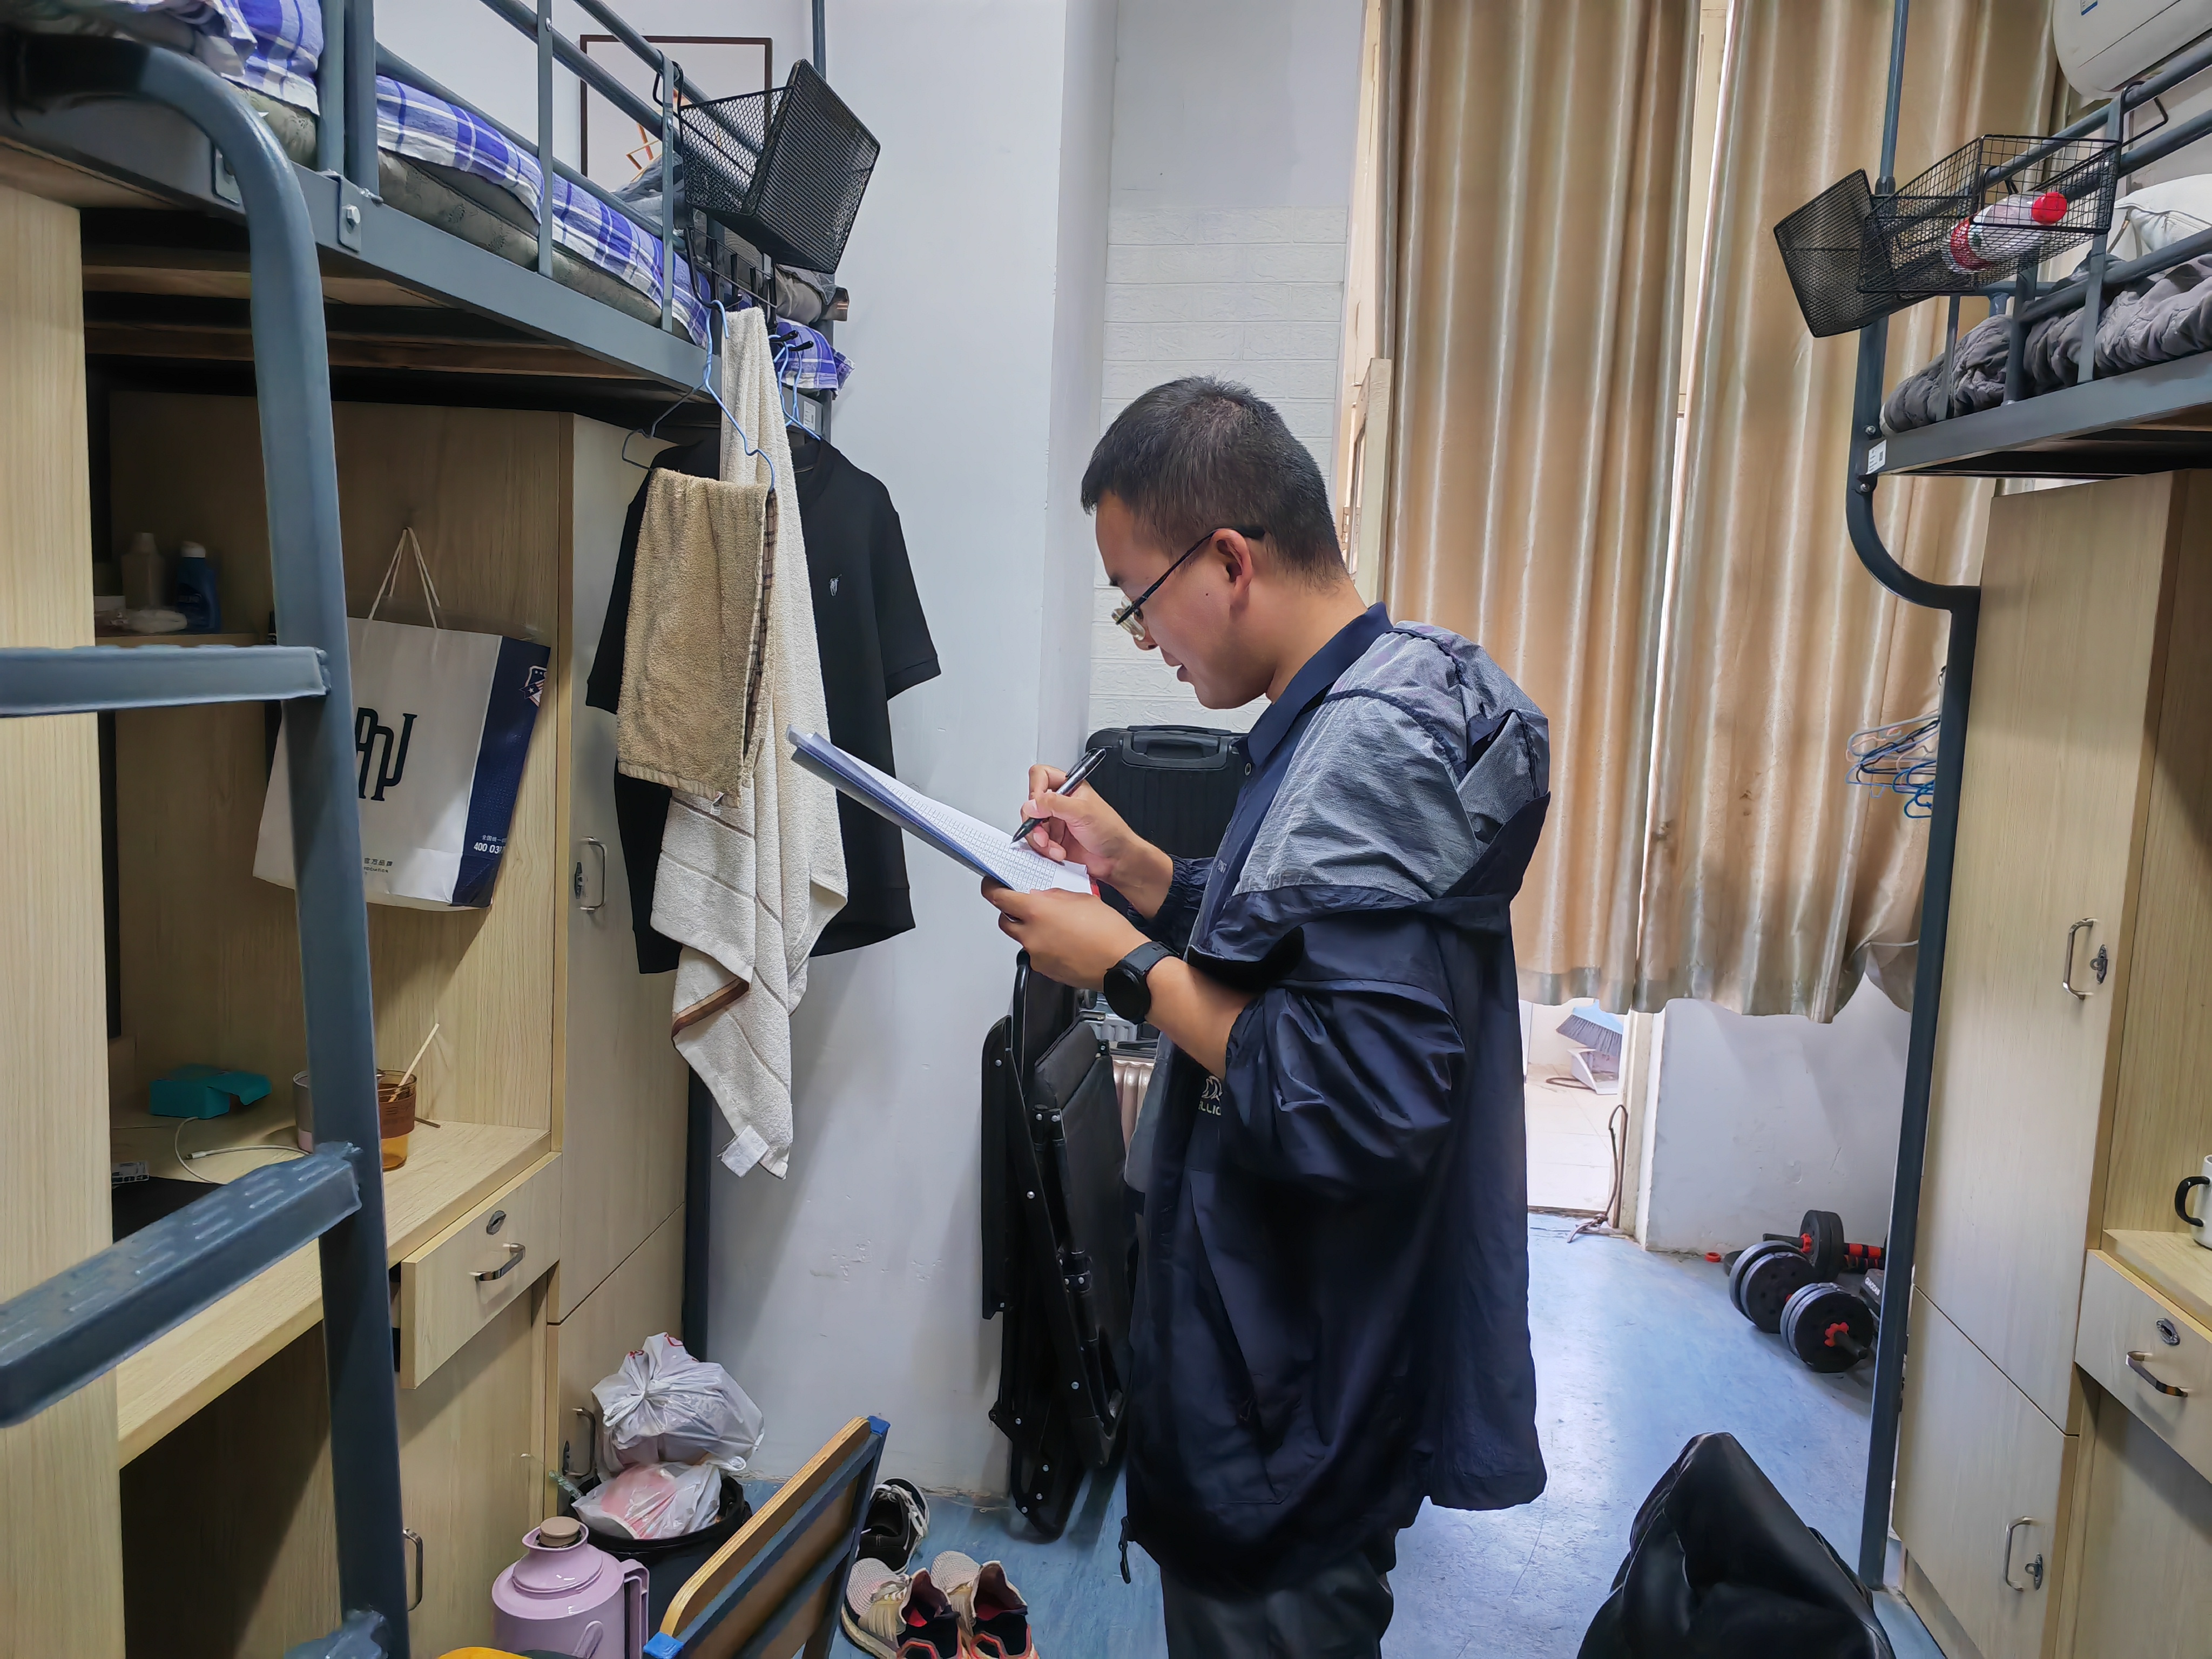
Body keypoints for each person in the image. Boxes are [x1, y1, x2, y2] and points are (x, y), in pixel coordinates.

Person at [983, 377, 1552, 1657]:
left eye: (1137, 599)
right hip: (1305, 1347)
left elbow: (1350, 1095)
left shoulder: (1364, 750)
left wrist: (1121, 963)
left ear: (1228, 561)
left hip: (1294, 1394)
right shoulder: (1375, 695)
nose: (1144, 641)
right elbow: (1301, 947)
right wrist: (1141, 873)